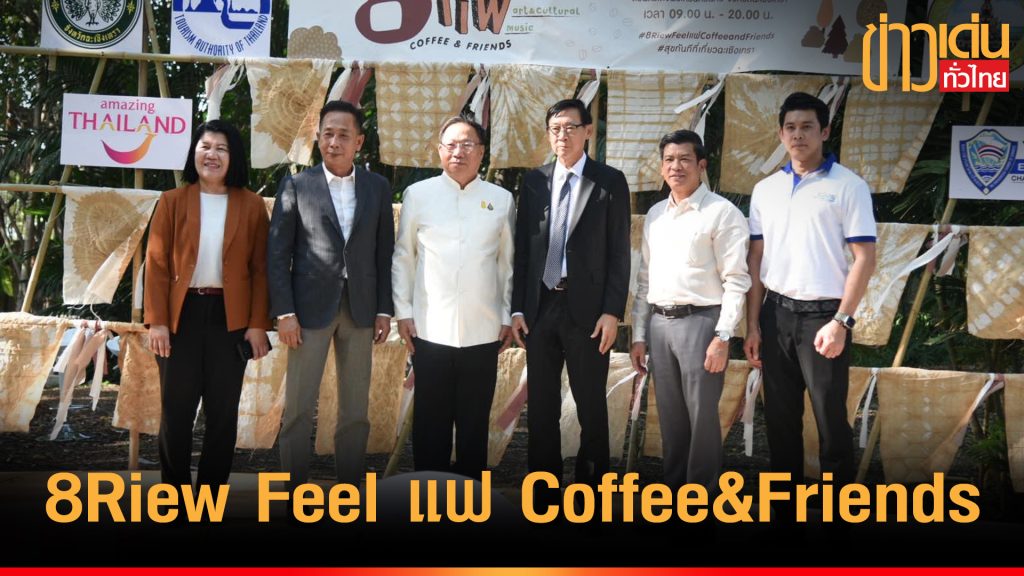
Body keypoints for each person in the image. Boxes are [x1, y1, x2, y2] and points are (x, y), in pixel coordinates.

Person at [743, 92, 877, 527]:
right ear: (781, 134)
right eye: (790, 128)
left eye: (806, 127)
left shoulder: (849, 186)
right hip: (775, 314)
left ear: (824, 131)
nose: (798, 135)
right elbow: (755, 260)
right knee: (780, 420)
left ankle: (841, 514)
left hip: (825, 317)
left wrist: (841, 321)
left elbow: (865, 258)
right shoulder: (765, 190)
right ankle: (785, 512)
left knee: (830, 419)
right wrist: (753, 325)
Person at [268, 100, 395, 488]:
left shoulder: (377, 187)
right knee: (298, 407)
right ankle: (295, 491)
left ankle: (349, 492)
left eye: (343, 135)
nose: (334, 142)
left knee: (355, 410)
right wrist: (284, 313)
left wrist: (384, 310)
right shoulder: (297, 185)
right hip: (307, 311)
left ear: (359, 141)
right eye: (327, 134)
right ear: (318, 137)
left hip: (361, 308)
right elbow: (277, 254)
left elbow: (384, 252)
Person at [510, 99, 631, 497]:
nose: (562, 135)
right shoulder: (534, 181)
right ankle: (543, 494)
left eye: (570, 127)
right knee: (541, 407)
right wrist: (518, 308)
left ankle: (591, 493)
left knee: (591, 406)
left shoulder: (609, 181)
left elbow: (619, 253)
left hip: (589, 312)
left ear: (588, 131)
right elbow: (523, 251)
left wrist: (612, 312)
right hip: (541, 306)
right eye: (555, 128)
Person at [144, 119, 271, 490]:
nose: (212, 155)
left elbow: (261, 270)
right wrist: (158, 321)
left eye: (221, 148)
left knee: (222, 415)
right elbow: (156, 264)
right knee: (175, 413)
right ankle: (174, 498)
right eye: (205, 146)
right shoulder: (171, 201)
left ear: (234, 158)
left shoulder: (252, 205)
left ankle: (210, 500)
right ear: (194, 153)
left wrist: (257, 324)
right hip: (179, 318)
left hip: (230, 320)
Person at [392, 116, 515, 480]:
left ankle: (471, 500)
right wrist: (403, 312)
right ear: (439, 150)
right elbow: (404, 257)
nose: (458, 152)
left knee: (474, 424)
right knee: (430, 423)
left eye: (467, 144)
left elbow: (508, 264)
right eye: (451, 145)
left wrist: (506, 316)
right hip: (429, 328)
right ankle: (429, 499)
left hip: (484, 329)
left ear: (481, 151)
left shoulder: (501, 199)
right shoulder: (418, 195)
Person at [629, 130, 750, 493]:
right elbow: (644, 280)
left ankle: (700, 497)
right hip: (659, 324)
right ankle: (673, 494)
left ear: (701, 165)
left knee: (702, 418)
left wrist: (723, 336)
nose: (676, 166)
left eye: (684, 159)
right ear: (661, 167)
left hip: (702, 323)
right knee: (670, 418)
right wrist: (639, 335)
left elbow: (736, 280)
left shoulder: (722, 213)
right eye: (669, 160)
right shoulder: (656, 215)